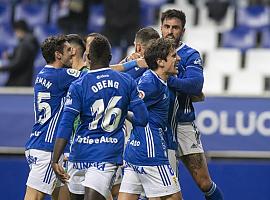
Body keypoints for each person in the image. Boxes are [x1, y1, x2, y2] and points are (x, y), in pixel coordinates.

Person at [51, 34, 149, 200]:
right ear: (110, 58)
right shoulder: (126, 82)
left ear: (88, 57)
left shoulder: (78, 84)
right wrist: (124, 112)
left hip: (79, 155)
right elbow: (142, 118)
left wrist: (55, 159)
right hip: (106, 155)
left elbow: (66, 124)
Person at [160, 9, 224, 200]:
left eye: (175, 28)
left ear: (183, 31)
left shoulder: (189, 55)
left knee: (204, 183)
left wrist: (165, 79)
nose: (170, 32)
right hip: (160, 126)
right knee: (162, 187)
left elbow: (196, 85)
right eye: (167, 27)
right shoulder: (152, 51)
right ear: (161, 27)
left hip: (183, 124)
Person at [118, 38, 182, 200]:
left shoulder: (155, 80)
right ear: (160, 61)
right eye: (174, 56)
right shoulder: (151, 83)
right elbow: (127, 104)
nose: (178, 59)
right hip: (151, 153)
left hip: (134, 150)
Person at [24, 35, 81, 200]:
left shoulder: (42, 73)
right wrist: (131, 63)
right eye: (69, 49)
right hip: (48, 148)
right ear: (58, 55)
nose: (74, 52)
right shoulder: (61, 75)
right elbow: (98, 73)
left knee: (63, 196)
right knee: (33, 196)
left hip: (39, 142)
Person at [0, 19, 39, 86]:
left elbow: (18, 63)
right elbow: (23, 58)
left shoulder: (24, 44)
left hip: (18, 81)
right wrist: (10, 56)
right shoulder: (31, 42)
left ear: (19, 30)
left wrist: (2, 68)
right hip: (25, 79)